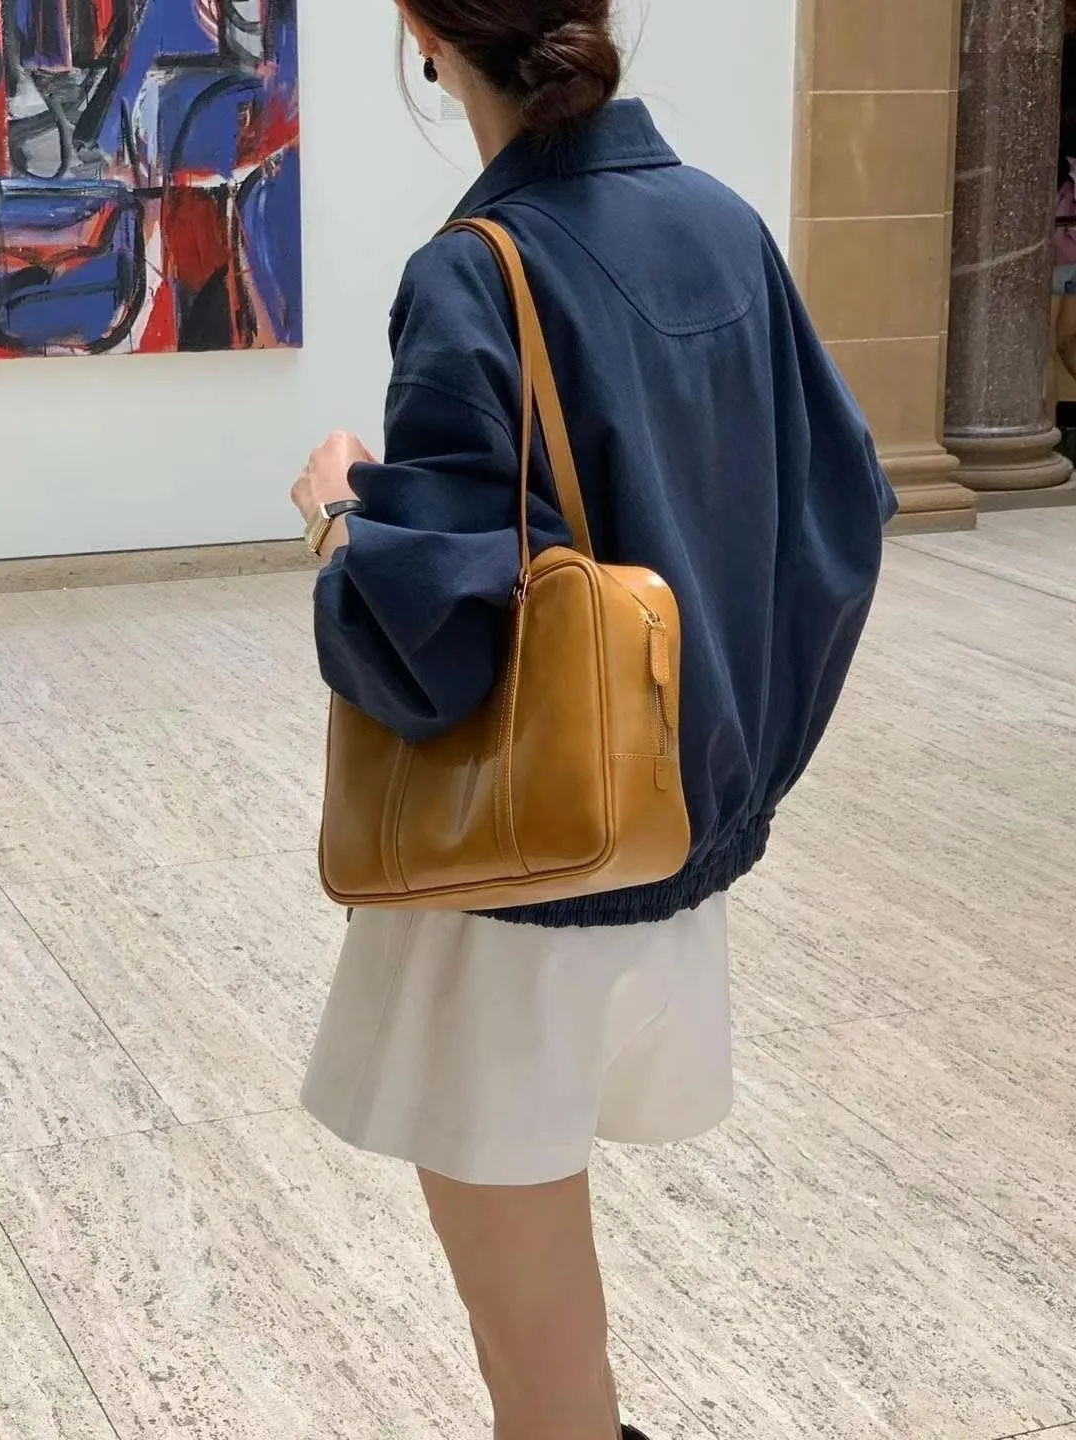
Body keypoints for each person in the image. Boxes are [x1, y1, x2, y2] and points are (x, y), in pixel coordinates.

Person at [289, 2, 895, 1436]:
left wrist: (337, 520)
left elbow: (436, 653)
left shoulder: (474, 269)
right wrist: (734, 760)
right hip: (665, 833)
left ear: (423, 34)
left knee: (546, 1384)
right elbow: (840, 521)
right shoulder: (726, 227)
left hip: (512, 880)